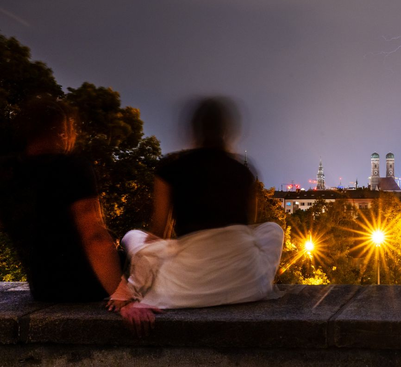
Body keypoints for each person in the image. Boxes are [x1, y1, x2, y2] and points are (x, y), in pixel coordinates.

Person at [0, 97, 156, 334]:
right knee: (136, 238)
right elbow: (92, 234)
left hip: (43, 290)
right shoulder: (70, 168)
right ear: (62, 131)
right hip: (90, 286)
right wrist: (122, 294)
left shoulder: (9, 172)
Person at [120, 97, 283, 309]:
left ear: (193, 131)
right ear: (228, 131)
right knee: (273, 229)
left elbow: (159, 232)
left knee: (133, 237)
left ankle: (133, 287)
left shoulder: (171, 169)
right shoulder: (244, 172)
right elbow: (248, 228)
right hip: (247, 284)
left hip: (186, 288)